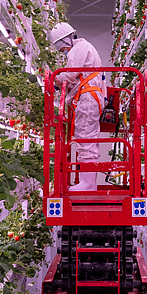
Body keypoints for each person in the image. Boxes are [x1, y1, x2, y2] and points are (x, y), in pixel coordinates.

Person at [50, 22, 105, 191]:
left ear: (65, 39)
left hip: (87, 98)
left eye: (61, 48)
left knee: (85, 137)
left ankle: (88, 184)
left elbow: (71, 72)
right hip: (91, 96)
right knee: (88, 138)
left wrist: (55, 80)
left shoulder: (79, 49)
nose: (63, 51)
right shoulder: (85, 48)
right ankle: (89, 183)